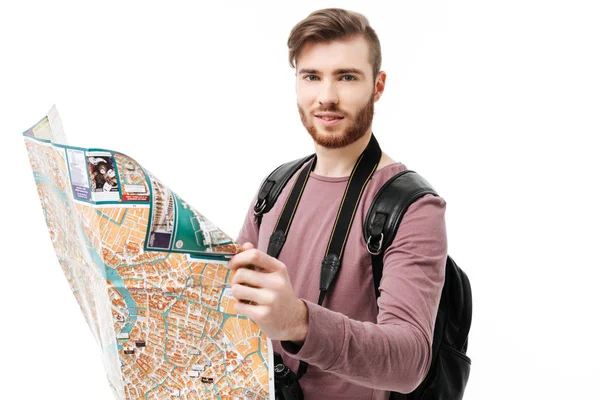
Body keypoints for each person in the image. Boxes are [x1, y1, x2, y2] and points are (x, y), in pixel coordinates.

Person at [228, 8, 447, 400]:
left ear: (378, 86)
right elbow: (231, 303)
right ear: (296, 83)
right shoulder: (276, 185)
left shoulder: (412, 206)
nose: (326, 97)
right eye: (311, 76)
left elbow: (411, 360)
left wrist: (299, 323)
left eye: (347, 77)